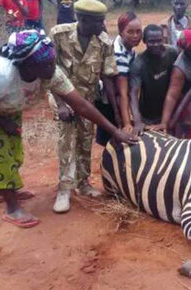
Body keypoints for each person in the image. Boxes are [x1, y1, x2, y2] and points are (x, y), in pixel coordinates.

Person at [0, 30, 138, 228]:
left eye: (53, 61)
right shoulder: (0, 77)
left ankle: (3, 191)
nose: (52, 67)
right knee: (0, 152)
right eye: (47, 64)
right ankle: (12, 208)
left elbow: (81, 105)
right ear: (28, 65)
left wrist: (114, 131)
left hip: (4, 101)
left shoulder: (48, 72)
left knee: (13, 148)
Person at [49, 0, 120, 213]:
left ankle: (83, 183)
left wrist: (116, 114)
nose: (103, 25)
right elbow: (49, 72)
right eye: (99, 21)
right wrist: (61, 105)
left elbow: (108, 78)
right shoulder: (58, 35)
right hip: (62, 97)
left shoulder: (104, 41)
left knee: (85, 140)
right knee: (67, 138)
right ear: (83, 19)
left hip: (87, 100)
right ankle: (64, 189)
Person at [95, 11, 142, 146]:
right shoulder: (119, 54)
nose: (135, 36)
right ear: (121, 32)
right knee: (114, 139)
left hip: (116, 99)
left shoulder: (128, 48)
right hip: (109, 102)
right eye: (130, 32)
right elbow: (122, 92)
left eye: (139, 31)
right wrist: (126, 122)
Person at [129, 25, 178, 134]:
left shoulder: (172, 53)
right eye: (151, 41)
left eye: (159, 41)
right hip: (148, 117)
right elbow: (133, 94)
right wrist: (137, 121)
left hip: (171, 112)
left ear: (163, 39)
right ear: (144, 41)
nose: (156, 45)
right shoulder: (138, 64)